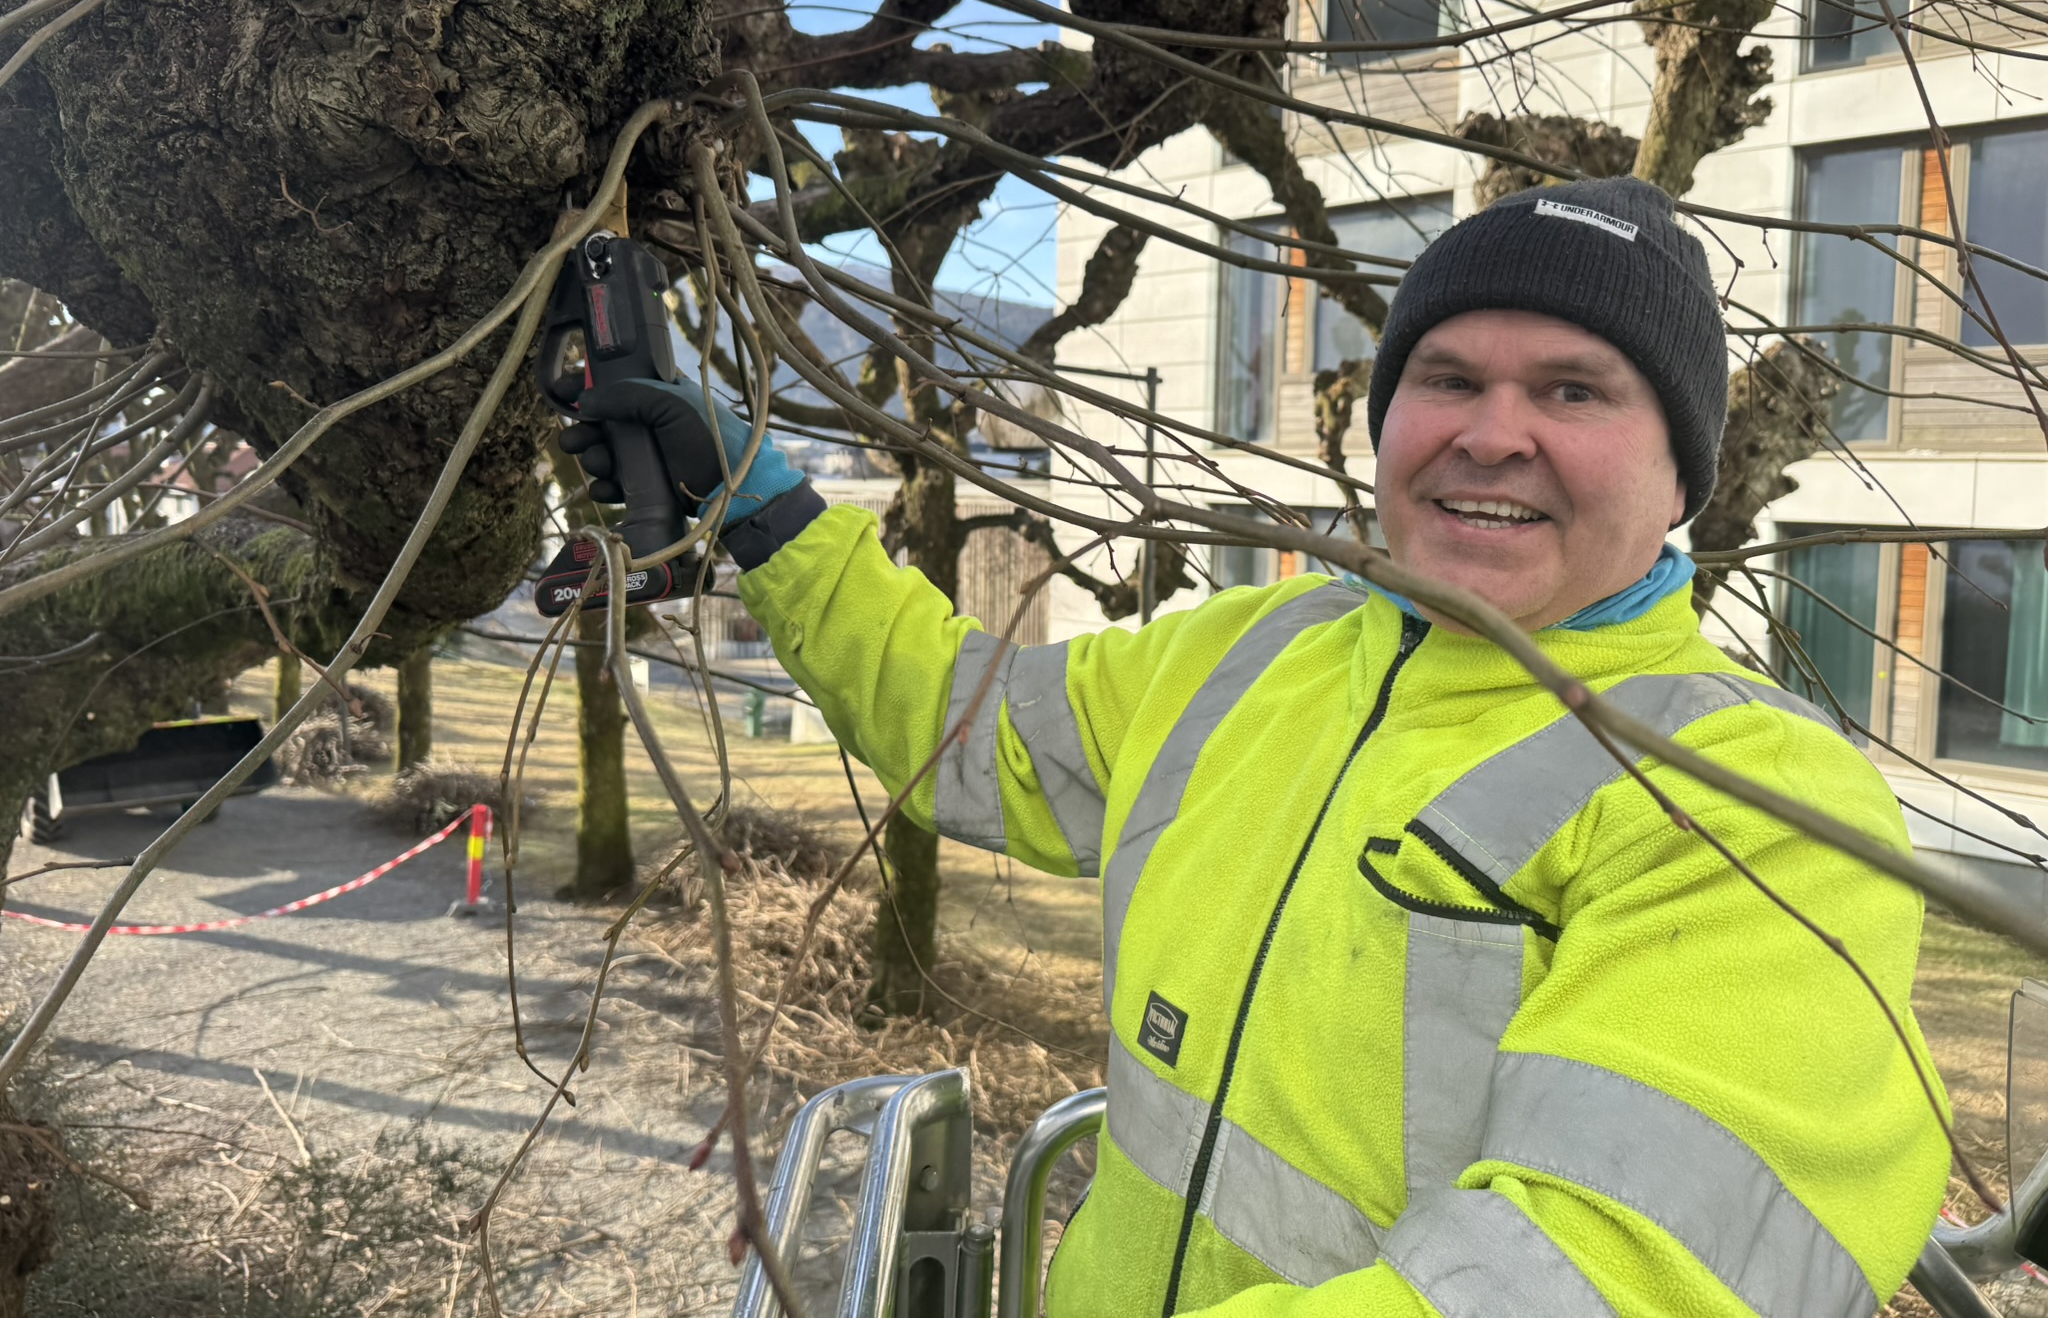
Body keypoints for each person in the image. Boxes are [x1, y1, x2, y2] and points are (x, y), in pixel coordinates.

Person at [563, 177, 1948, 1317]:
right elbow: (968, 727)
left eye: (1576, 393)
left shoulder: (1758, 804)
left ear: (1682, 473)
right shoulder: (1261, 652)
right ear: (1385, 415)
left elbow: (1596, 1284)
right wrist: (767, 511)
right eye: (1448, 376)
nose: (1491, 435)